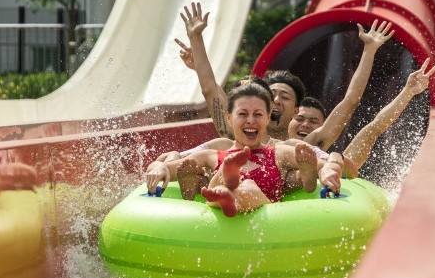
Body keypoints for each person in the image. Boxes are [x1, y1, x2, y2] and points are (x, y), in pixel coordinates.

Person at [177, 2, 394, 144]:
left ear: (296, 110)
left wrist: (369, 50)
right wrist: (196, 39)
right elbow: (210, 90)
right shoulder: (236, 135)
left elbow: (350, 101)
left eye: (285, 97)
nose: (277, 100)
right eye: (272, 96)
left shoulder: (304, 146)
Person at [146, 83, 343, 216]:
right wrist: (159, 167)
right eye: (242, 114)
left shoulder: (279, 153)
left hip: (267, 218)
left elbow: (323, 166)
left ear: (267, 117)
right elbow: (169, 168)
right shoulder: (211, 155)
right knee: (225, 186)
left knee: (245, 187)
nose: (251, 120)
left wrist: (325, 170)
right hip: (220, 212)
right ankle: (227, 184)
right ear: (230, 118)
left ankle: (229, 187)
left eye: (258, 114)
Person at [343, 58, 435, 169]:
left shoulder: (337, 163)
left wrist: (408, 92)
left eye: (317, 121)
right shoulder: (326, 158)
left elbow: (376, 126)